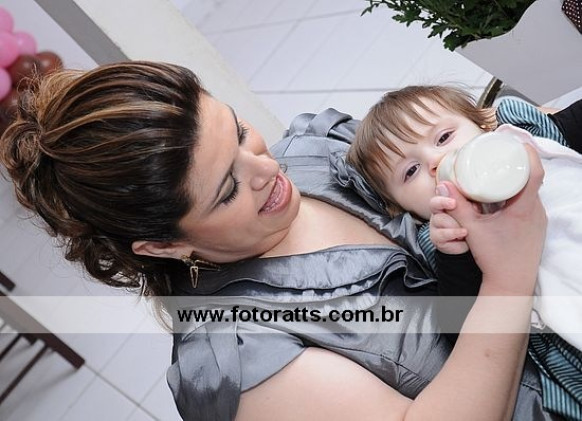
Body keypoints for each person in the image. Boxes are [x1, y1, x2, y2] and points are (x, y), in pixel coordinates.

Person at [0, 62, 554, 420]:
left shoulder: (315, 151)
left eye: (239, 132)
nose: (266, 169)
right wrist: (509, 280)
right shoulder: (244, 361)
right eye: (226, 190)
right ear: (164, 245)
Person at [346, 84, 582, 419]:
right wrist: (453, 253)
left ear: (483, 124)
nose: (435, 161)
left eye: (443, 137)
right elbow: (460, 326)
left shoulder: (526, 139)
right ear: (404, 210)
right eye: (411, 171)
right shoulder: (446, 237)